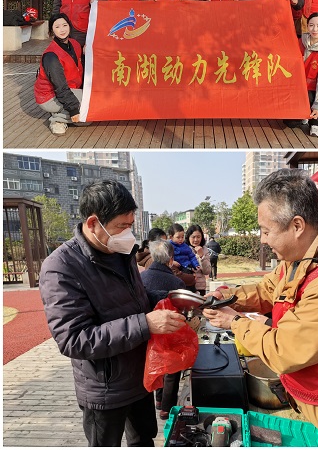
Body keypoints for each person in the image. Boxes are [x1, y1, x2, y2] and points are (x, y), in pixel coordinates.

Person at [203, 169, 318, 447]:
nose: (262, 239)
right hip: (315, 402)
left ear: (298, 225)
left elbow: (284, 350)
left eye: (266, 231)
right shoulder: (304, 256)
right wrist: (229, 297)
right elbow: (269, 289)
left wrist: (235, 322)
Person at [38, 180, 187, 446]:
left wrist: (171, 301)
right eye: (121, 226)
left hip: (139, 375)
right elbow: (73, 340)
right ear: (93, 222)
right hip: (105, 389)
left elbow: (136, 298)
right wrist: (145, 324)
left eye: (130, 225)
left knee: (144, 439)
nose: (127, 233)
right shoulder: (60, 267)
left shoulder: (121, 251)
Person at [138, 239, 187, 421]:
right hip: (170, 330)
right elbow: (182, 311)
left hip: (146, 329)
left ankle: (158, 399)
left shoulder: (140, 278)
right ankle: (167, 407)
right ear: (171, 258)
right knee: (172, 369)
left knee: (156, 363)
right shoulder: (176, 282)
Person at [283, 12, 318, 137]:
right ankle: (304, 115)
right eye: (311, 25)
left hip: (315, 90)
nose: (315, 29)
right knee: (290, 122)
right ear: (307, 26)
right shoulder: (298, 42)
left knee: (311, 103)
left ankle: (316, 122)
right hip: (296, 88)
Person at [34, 13, 84, 136]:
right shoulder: (51, 56)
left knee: (88, 117)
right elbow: (60, 86)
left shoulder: (75, 44)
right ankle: (57, 119)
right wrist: (73, 109)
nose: (62, 30)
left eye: (64, 25)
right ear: (52, 31)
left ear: (69, 26)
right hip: (49, 96)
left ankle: (61, 113)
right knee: (86, 111)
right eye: (57, 27)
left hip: (70, 89)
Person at [168, 223, 200, 292]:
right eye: (178, 237)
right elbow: (166, 257)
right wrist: (172, 262)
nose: (181, 239)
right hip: (177, 268)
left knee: (191, 279)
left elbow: (191, 256)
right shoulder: (168, 246)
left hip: (187, 266)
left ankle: (193, 291)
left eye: (182, 237)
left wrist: (196, 264)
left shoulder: (185, 246)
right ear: (171, 237)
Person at [186, 224, 212, 296]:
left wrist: (202, 256)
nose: (196, 240)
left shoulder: (204, 249)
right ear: (188, 237)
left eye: (198, 237)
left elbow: (207, 271)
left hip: (200, 287)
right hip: (187, 287)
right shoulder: (184, 249)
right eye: (193, 237)